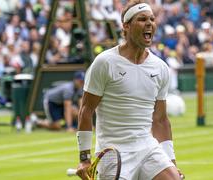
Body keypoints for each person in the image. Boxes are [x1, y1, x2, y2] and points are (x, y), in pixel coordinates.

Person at [76, 1, 183, 179]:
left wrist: (171, 161)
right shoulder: (104, 62)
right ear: (126, 26)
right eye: (142, 19)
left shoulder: (160, 67)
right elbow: (86, 111)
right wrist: (84, 159)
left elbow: (161, 120)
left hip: (148, 148)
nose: (149, 23)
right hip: (114, 153)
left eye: (152, 19)